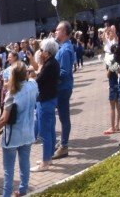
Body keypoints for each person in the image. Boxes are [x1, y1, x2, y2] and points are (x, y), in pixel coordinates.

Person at [0, 61, 38, 197]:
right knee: (25, 163)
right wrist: (29, 69)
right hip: (28, 132)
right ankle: (23, 190)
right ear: (25, 74)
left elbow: (4, 119)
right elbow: (34, 73)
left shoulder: (12, 93)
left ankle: (6, 195)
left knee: (9, 170)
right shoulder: (33, 85)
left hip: (13, 135)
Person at [33, 38, 59, 172]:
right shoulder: (52, 63)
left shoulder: (49, 65)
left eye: (42, 50)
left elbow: (38, 81)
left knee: (45, 133)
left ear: (47, 53)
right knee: (50, 130)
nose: (40, 52)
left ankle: (45, 162)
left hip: (46, 100)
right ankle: (48, 157)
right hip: (50, 99)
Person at [52, 21, 75, 160]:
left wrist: (51, 75)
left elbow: (65, 71)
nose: (55, 31)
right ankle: (63, 143)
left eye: (58, 29)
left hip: (63, 88)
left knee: (64, 117)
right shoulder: (63, 47)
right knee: (62, 116)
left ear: (65, 32)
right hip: (61, 87)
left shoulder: (65, 50)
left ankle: (64, 146)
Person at [102, 26, 120, 136]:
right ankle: (117, 125)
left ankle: (113, 127)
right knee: (118, 104)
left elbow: (109, 74)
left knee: (112, 106)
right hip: (118, 82)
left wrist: (109, 70)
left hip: (113, 83)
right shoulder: (119, 57)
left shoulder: (114, 61)